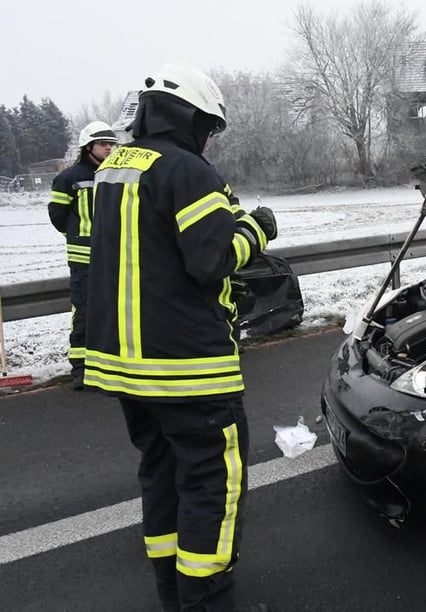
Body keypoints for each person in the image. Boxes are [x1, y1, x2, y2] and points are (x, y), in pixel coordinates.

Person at [83, 63, 276, 612]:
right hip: (188, 370)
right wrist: (256, 228)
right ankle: (206, 601)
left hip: (127, 369)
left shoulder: (114, 167)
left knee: (162, 480)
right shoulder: (188, 170)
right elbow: (211, 260)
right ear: (188, 117)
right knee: (212, 492)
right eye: (208, 126)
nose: (207, 138)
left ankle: (173, 596)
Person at [48, 122, 119, 389]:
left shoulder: (116, 174)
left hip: (113, 257)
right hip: (84, 259)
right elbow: (58, 216)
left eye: (111, 144)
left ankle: (109, 365)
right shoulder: (69, 178)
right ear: (88, 146)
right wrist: (78, 235)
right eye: (103, 144)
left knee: (114, 312)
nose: (109, 148)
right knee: (85, 313)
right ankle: (81, 369)